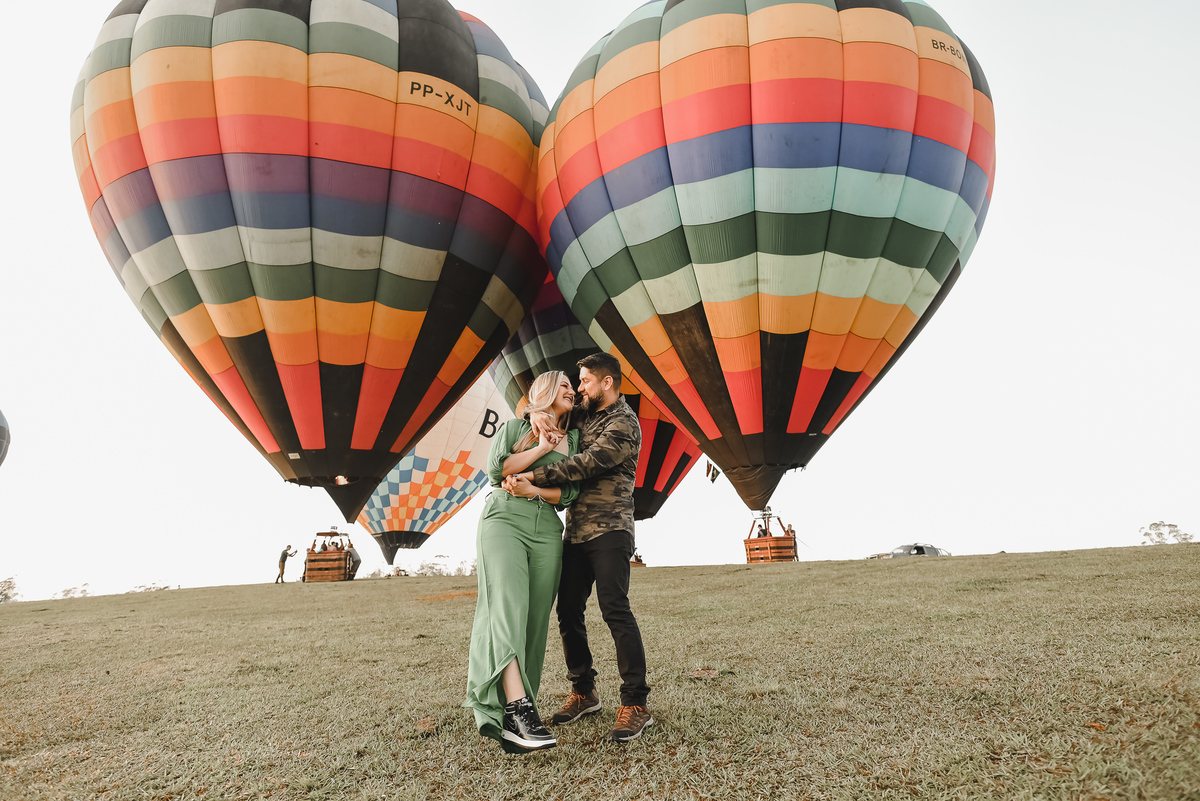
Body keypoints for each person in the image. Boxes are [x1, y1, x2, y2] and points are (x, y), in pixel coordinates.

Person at [505, 352, 652, 743]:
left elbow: (585, 463)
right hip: (575, 531)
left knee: (614, 608)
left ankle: (636, 702)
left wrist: (532, 475)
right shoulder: (584, 413)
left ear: (607, 382)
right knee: (568, 610)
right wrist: (533, 417)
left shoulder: (624, 422)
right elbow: (550, 414)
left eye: (585, 380)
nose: (579, 386)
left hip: (610, 529)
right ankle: (584, 691)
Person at [463, 370, 580, 754]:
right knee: (508, 608)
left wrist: (533, 486)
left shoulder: (575, 439)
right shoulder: (516, 426)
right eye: (564, 385)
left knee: (534, 620)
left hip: (547, 527)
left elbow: (569, 492)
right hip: (505, 519)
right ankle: (517, 711)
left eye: (574, 385)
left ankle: (519, 711)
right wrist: (540, 447)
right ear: (544, 391)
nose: (573, 390)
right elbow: (497, 469)